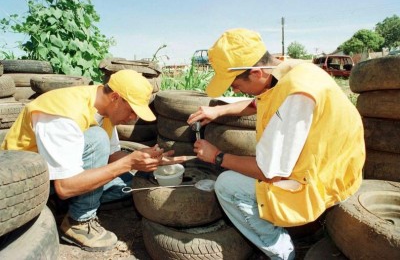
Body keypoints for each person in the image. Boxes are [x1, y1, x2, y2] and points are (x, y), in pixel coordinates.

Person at [187, 28, 365, 260]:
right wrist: (219, 109)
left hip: (322, 182)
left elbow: (267, 171)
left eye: (235, 85)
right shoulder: (292, 70)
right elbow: (261, 100)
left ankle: (282, 253)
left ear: (256, 72)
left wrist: (217, 156)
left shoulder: (294, 95)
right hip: (340, 166)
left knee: (227, 184)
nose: (233, 90)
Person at [2, 69, 185, 252]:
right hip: (26, 183)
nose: (133, 118)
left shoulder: (104, 111)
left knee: (134, 184)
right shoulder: (63, 112)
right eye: (132, 110)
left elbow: (112, 156)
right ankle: (78, 221)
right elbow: (65, 186)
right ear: (115, 97)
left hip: (62, 175)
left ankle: (59, 205)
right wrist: (128, 163)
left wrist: (149, 162)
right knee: (98, 139)